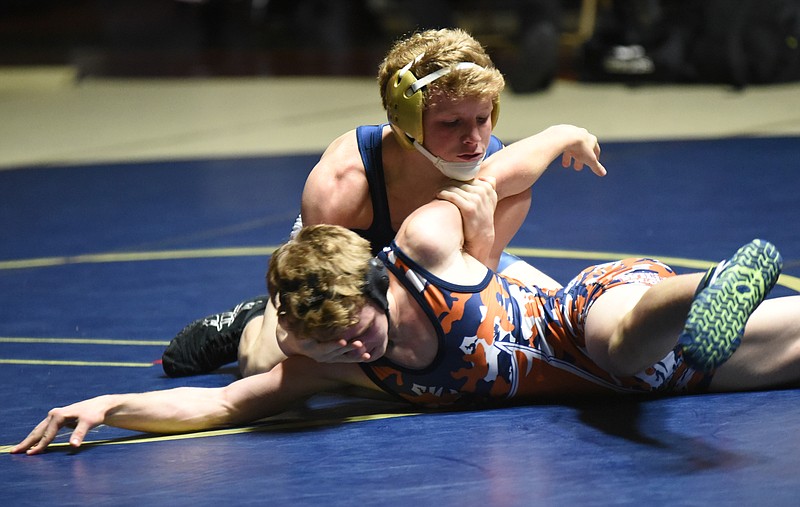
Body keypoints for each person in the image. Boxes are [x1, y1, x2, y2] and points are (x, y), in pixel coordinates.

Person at [12, 174, 799, 456]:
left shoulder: (421, 248)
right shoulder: (330, 358)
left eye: (353, 323)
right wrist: (110, 404)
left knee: (618, 340)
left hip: (583, 316)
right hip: (673, 377)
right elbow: (218, 402)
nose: (353, 344)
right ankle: (709, 306)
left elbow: (496, 175)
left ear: (373, 280)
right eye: (331, 341)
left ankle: (712, 281)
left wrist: (556, 138)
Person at [161, 27, 606, 378]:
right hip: (348, 270)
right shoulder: (343, 183)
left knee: (561, 318)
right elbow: (327, 286)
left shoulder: (502, 172)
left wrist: (487, 234)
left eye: (483, 118)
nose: (474, 140)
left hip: (454, 262)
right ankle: (251, 320)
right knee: (269, 364)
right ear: (406, 119)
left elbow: (474, 287)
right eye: (451, 123)